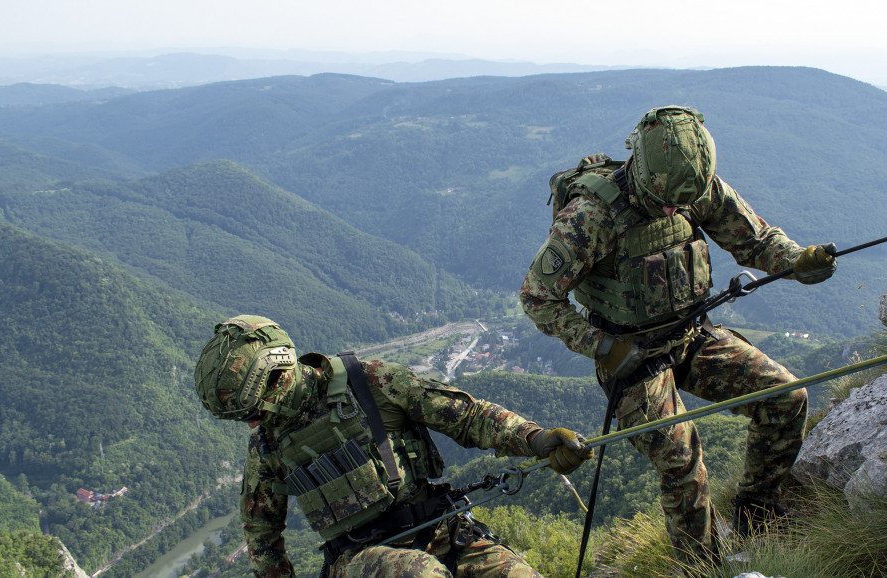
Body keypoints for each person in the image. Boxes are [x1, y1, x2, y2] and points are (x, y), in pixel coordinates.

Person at [520, 106, 836, 562]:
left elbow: (754, 240)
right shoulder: (590, 218)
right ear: (642, 169)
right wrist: (603, 347)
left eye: (679, 203)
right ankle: (700, 567)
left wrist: (797, 260)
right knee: (681, 459)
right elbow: (537, 297)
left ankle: (757, 514)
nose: (672, 210)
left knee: (787, 397)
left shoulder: (692, 185)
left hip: (691, 334)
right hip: (631, 356)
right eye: (664, 201)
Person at [194, 314, 594, 578]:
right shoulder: (266, 448)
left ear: (276, 376)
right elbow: (262, 534)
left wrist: (536, 439)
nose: (249, 423)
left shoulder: (371, 383)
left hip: (442, 531)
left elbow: (469, 418)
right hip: (359, 561)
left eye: (251, 409)